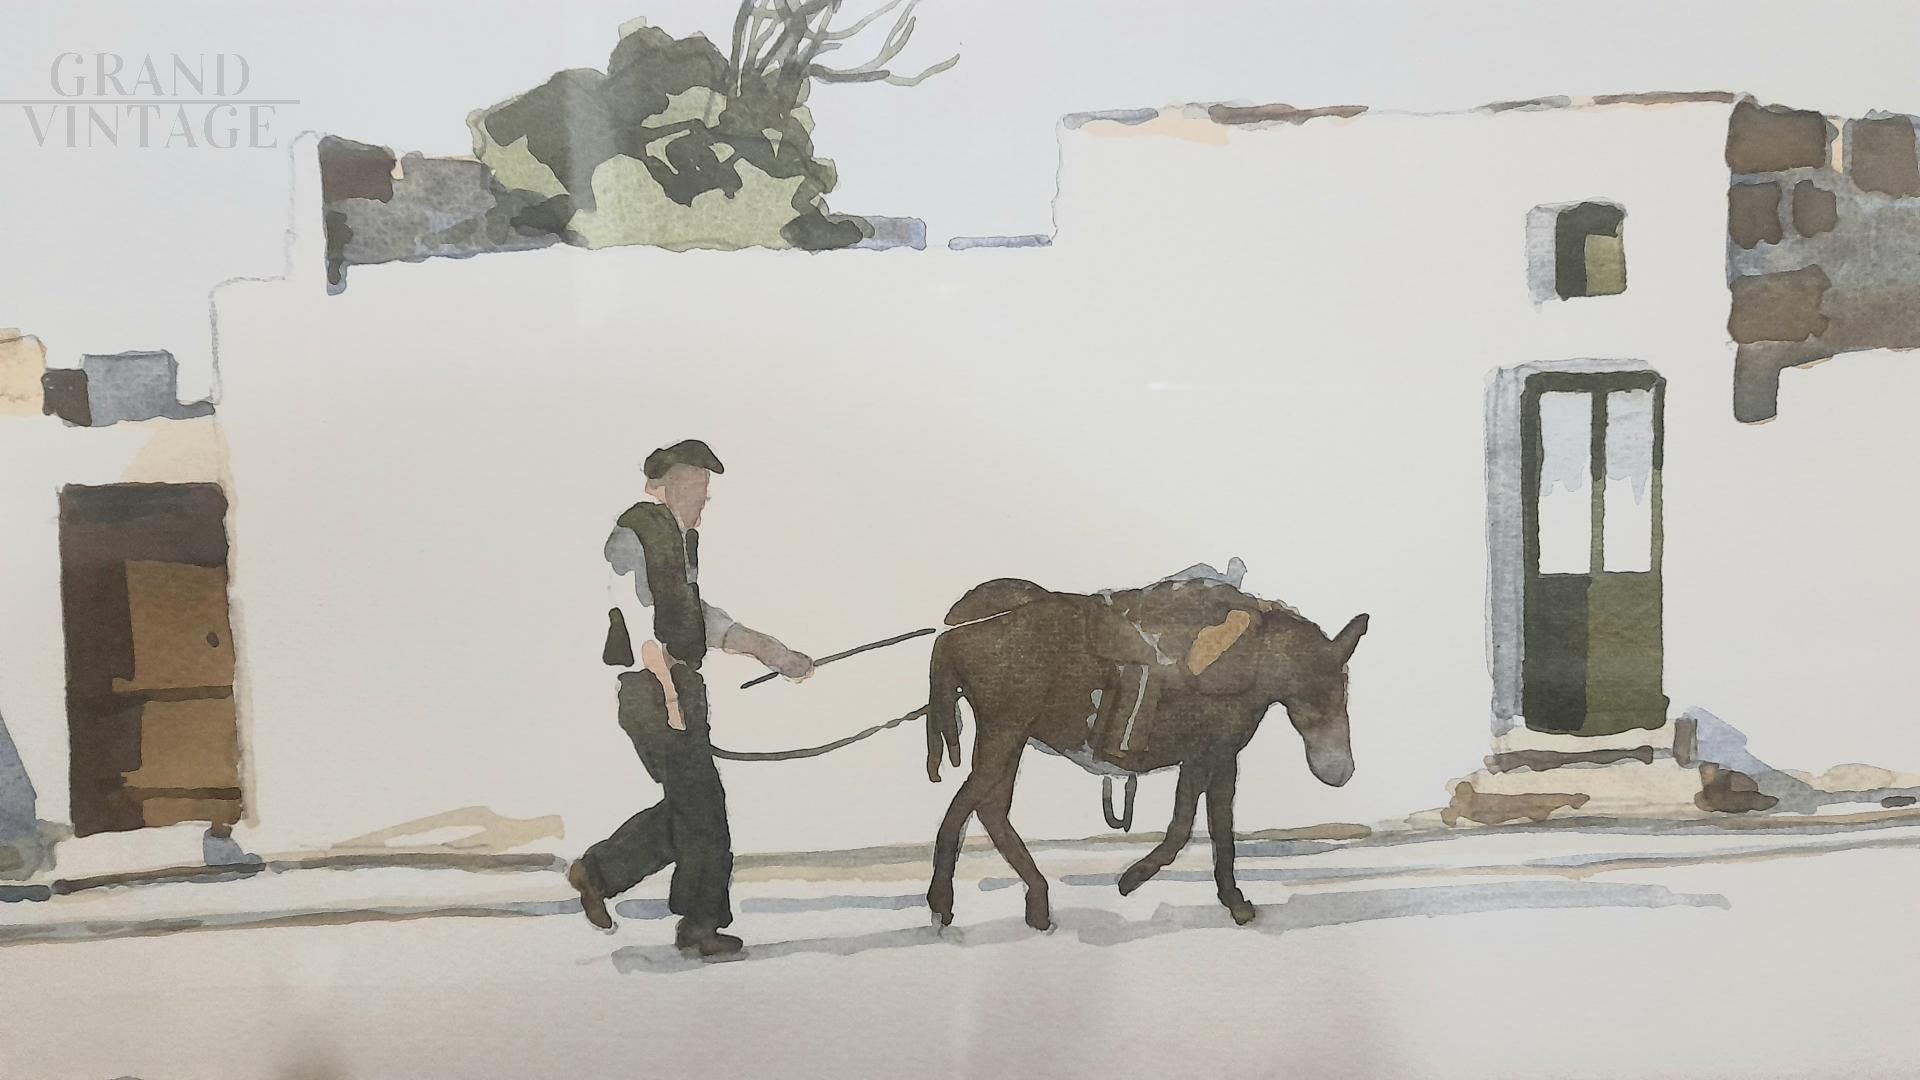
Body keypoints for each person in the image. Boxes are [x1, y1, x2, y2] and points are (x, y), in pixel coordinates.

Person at [567, 439, 813, 957]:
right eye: (699, 485)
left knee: (692, 808)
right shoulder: (632, 535)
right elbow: (638, 620)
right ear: (669, 482)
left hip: (677, 688)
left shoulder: (681, 541)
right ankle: (697, 925)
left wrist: (769, 650)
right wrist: (672, 696)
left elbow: (695, 615)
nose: (705, 497)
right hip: (653, 690)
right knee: (703, 809)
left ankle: (600, 872)